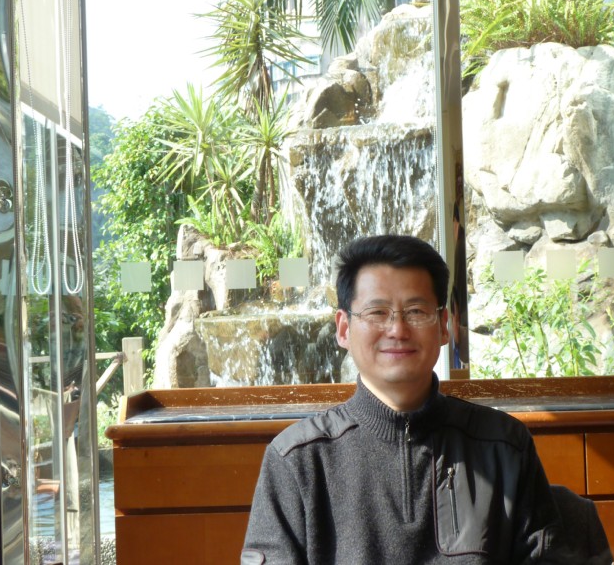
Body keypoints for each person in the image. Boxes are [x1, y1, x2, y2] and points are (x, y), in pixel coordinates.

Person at [241, 234, 569, 564]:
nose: (397, 329)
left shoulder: (503, 445)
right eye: (377, 312)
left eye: (416, 311)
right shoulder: (298, 459)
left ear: (444, 326)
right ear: (343, 329)